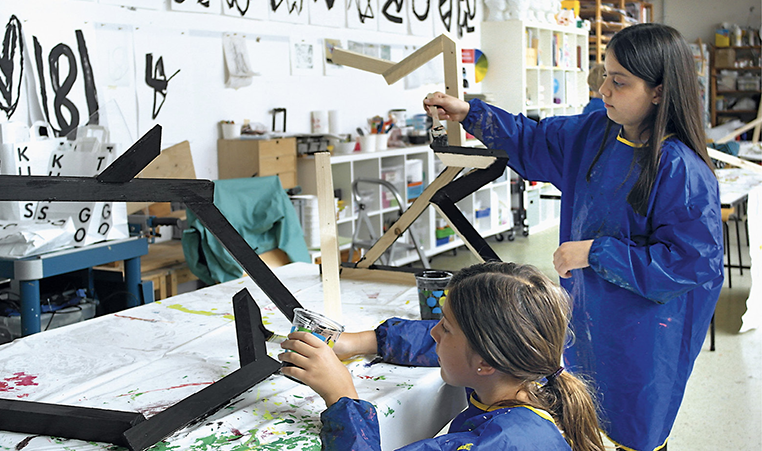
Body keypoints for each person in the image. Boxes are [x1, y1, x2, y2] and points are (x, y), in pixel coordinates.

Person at [423, 23, 723, 451]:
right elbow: (534, 139)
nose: (604, 90)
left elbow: (691, 264)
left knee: (630, 429)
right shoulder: (595, 132)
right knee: (583, 417)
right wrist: (470, 113)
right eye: (605, 75)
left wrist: (595, 253)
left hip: (645, 334)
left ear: (658, 91)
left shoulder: (679, 169)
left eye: (619, 82)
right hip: (588, 316)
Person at [279, 261, 605, 451]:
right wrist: (361, 341)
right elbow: (443, 343)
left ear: (486, 361)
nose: (433, 333)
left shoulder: (491, 445)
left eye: (445, 328)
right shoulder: (525, 373)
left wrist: (342, 398)